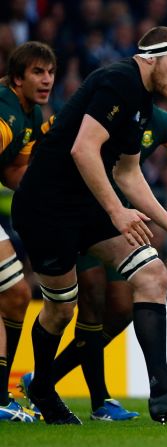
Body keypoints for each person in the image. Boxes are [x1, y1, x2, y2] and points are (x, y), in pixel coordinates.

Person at [11, 26, 167, 425]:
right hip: (47, 206)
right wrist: (115, 211)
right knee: (62, 309)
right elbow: (83, 148)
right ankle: (41, 386)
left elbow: (128, 173)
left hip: (85, 205)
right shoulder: (118, 80)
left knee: (153, 273)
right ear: (150, 58)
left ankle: (162, 392)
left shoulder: (141, 101)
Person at [20, 105, 167, 421]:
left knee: (121, 308)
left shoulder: (157, 121)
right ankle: (98, 399)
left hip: (120, 219)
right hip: (77, 214)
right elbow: (41, 147)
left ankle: (44, 379)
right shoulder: (97, 109)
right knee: (89, 298)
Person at [0, 41, 56, 424]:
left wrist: (54, 194)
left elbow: (14, 172)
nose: (47, 79)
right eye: (38, 72)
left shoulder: (31, 114)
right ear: (17, 79)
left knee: (17, 295)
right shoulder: (5, 117)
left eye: (50, 72)